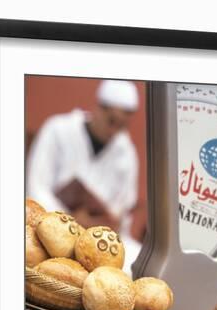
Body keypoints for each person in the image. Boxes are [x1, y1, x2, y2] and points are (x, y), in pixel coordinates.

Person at [26, 79, 141, 270]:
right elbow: (36, 186)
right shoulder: (58, 129)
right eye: (111, 121)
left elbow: (123, 208)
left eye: (121, 126)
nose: (114, 131)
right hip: (51, 226)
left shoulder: (126, 151)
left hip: (98, 240)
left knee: (138, 260)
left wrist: (99, 222)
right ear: (99, 108)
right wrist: (71, 218)